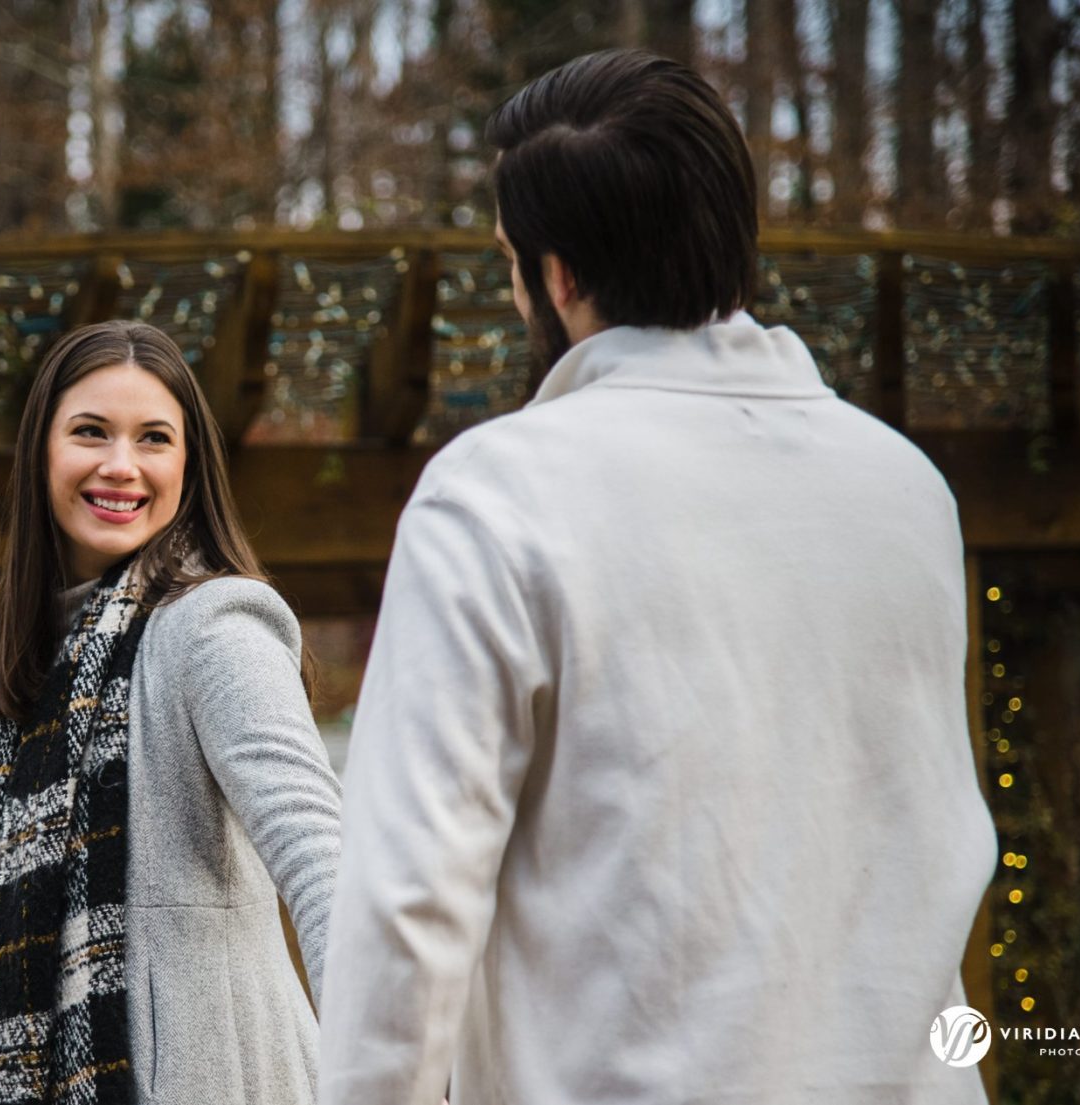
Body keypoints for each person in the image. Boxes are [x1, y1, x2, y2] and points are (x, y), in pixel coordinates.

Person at [318, 50, 997, 1105]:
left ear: (557, 277)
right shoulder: (908, 490)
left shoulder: (496, 497)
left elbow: (407, 905)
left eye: (510, 260)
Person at [0, 320, 341, 1105]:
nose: (121, 466)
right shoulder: (28, 690)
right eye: (91, 432)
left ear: (188, 467)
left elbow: (321, 856)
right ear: (42, 453)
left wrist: (394, 1069)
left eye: (154, 438)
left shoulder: (215, 626)